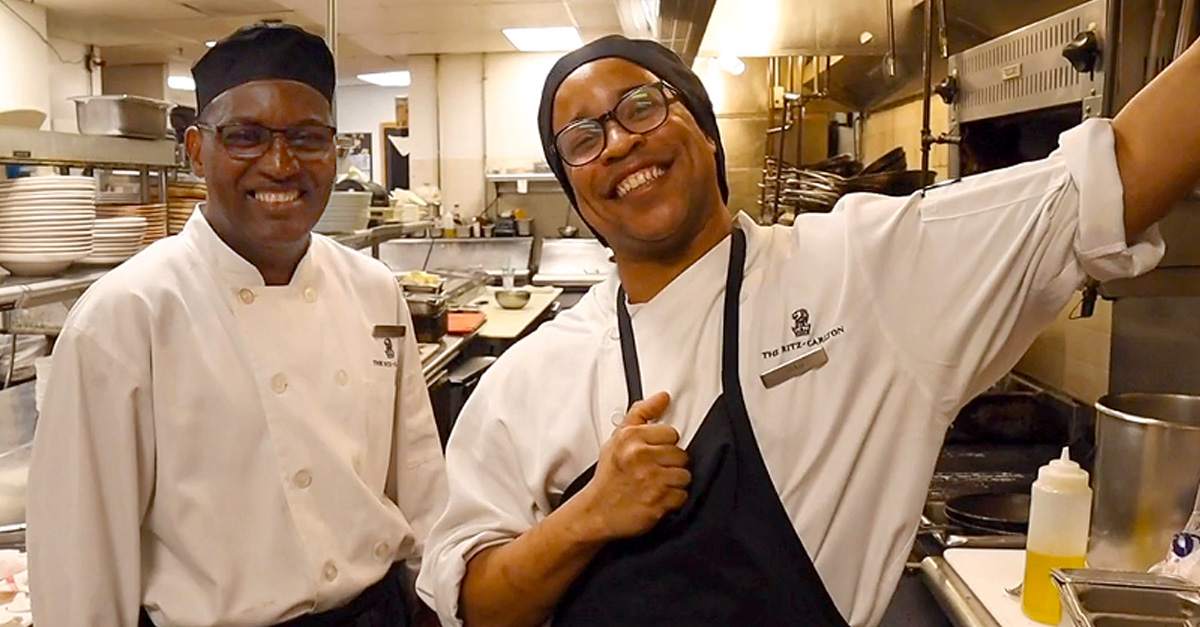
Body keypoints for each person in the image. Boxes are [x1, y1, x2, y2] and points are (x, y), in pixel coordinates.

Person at [416, 34, 1192, 626]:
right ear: (577, 192)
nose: (618, 142)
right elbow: (476, 602)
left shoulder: (863, 270)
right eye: (582, 139)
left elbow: (1106, 180)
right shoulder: (534, 373)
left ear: (704, 128)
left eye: (641, 107)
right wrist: (591, 513)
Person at [28, 23, 446, 627]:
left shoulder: (374, 289)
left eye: (307, 137)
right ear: (198, 150)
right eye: (246, 137)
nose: (280, 164)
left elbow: (423, 492)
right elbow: (79, 563)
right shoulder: (127, 314)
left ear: (334, 150)